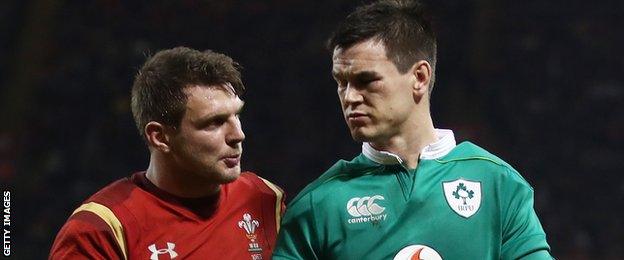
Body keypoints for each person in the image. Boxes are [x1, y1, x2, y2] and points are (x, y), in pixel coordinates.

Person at [273, 1, 552, 259]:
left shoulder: (498, 184)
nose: (349, 97)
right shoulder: (316, 205)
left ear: (419, 77)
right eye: (341, 82)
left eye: (366, 81)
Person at [50, 47, 285, 260]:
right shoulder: (101, 230)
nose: (238, 134)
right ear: (160, 137)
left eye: (237, 115)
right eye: (214, 122)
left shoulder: (265, 199)